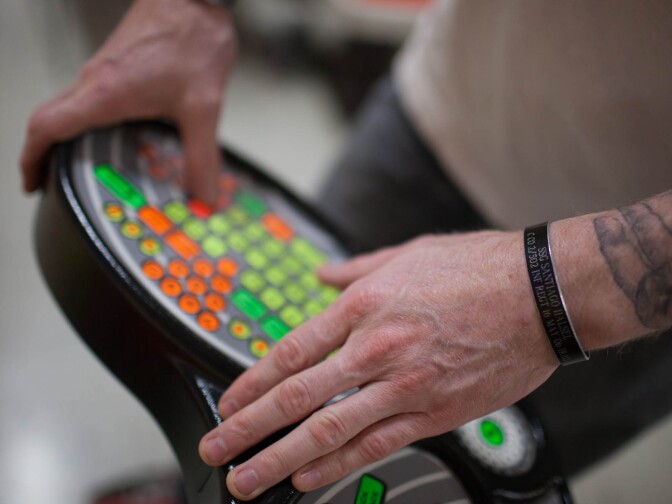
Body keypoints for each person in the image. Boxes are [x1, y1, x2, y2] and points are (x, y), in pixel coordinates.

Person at [20, 0, 672, 500]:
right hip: (445, 110)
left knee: (401, 476)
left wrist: (545, 296)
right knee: (264, 402)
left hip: (622, 297)